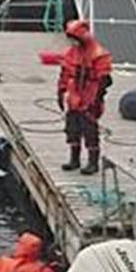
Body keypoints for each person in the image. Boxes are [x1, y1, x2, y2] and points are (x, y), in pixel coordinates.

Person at [39, 19, 113, 174]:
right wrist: (61, 91)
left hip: (90, 94)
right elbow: (65, 73)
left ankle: (93, 162)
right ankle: (74, 159)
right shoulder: (72, 52)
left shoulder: (99, 54)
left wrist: (96, 99)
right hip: (74, 95)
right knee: (72, 127)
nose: (73, 42)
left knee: (89, 129)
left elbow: (104, 80)